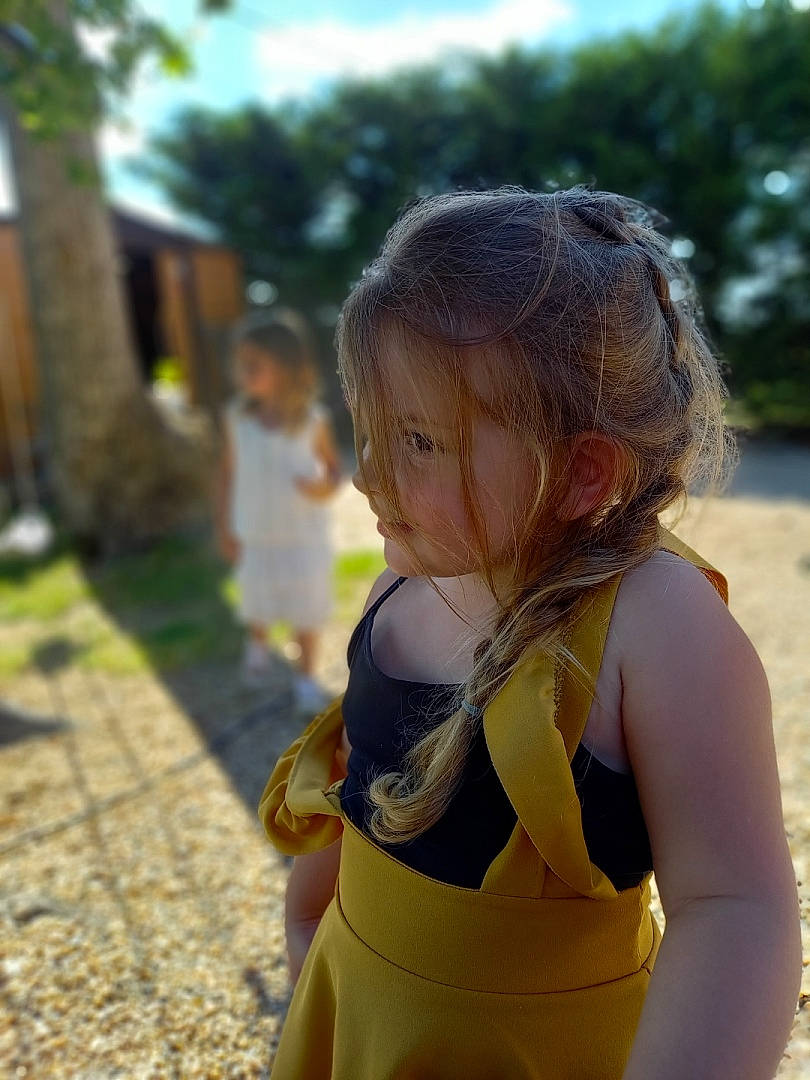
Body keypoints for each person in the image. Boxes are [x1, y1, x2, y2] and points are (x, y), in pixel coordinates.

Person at [258, 188, 801, 1078]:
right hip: (353, 1016)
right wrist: (309, 922)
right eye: (371, 427)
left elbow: (733, 909)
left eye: (421, 441)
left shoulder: (657, 630)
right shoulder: (409, 576)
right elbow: (369, 782)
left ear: (583, 470)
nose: (368, 476)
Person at [217, 309, 341, 711]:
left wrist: (321, 487)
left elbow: (334, 472)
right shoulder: (237, 419)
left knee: (306, 609)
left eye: (254, 364)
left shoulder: (313, 421)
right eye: (241, 365)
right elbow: (228, 474)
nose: (244, 373)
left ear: (286, 367)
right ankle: (258, 644)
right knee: (257, 600)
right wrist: (225, 527)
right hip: (255, 535)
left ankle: (305, 675)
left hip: (302, 538)